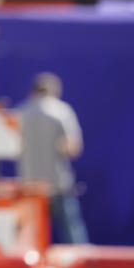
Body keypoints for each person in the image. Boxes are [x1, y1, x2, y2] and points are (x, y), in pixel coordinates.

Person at [18, 72, 88, 243]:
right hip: (58, 183)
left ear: (32, 91)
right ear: (55, 91)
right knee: (73, 236)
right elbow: (73, 147)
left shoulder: (21, 112)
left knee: (27, 237)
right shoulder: (62, 111)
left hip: (29, 185)